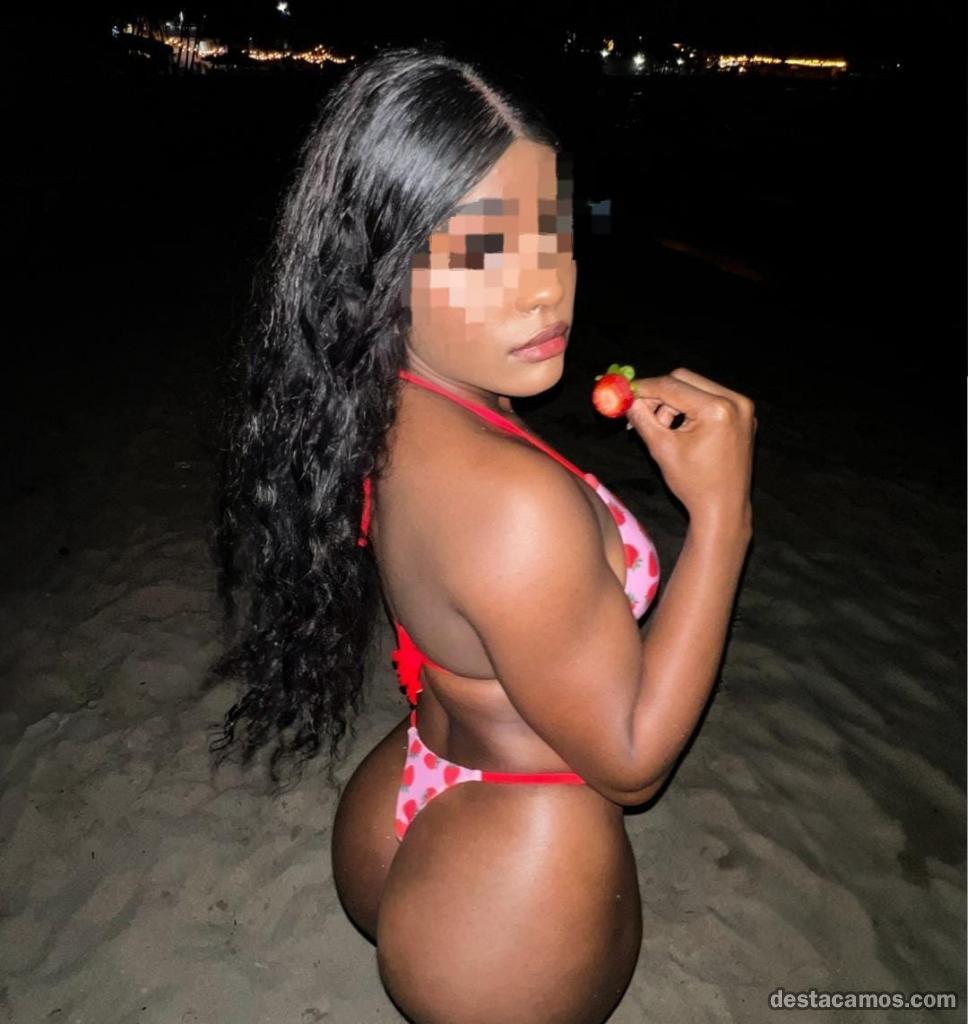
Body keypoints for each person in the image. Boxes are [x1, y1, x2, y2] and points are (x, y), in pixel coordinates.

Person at [205, 45, 755, 1024]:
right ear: (378, 271)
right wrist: (722, 517)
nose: (544, 287)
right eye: (482, 251)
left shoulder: (374, 402)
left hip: (401, 801)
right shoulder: (516, 506)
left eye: (554, 233)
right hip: (511, 879)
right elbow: (631, 764)